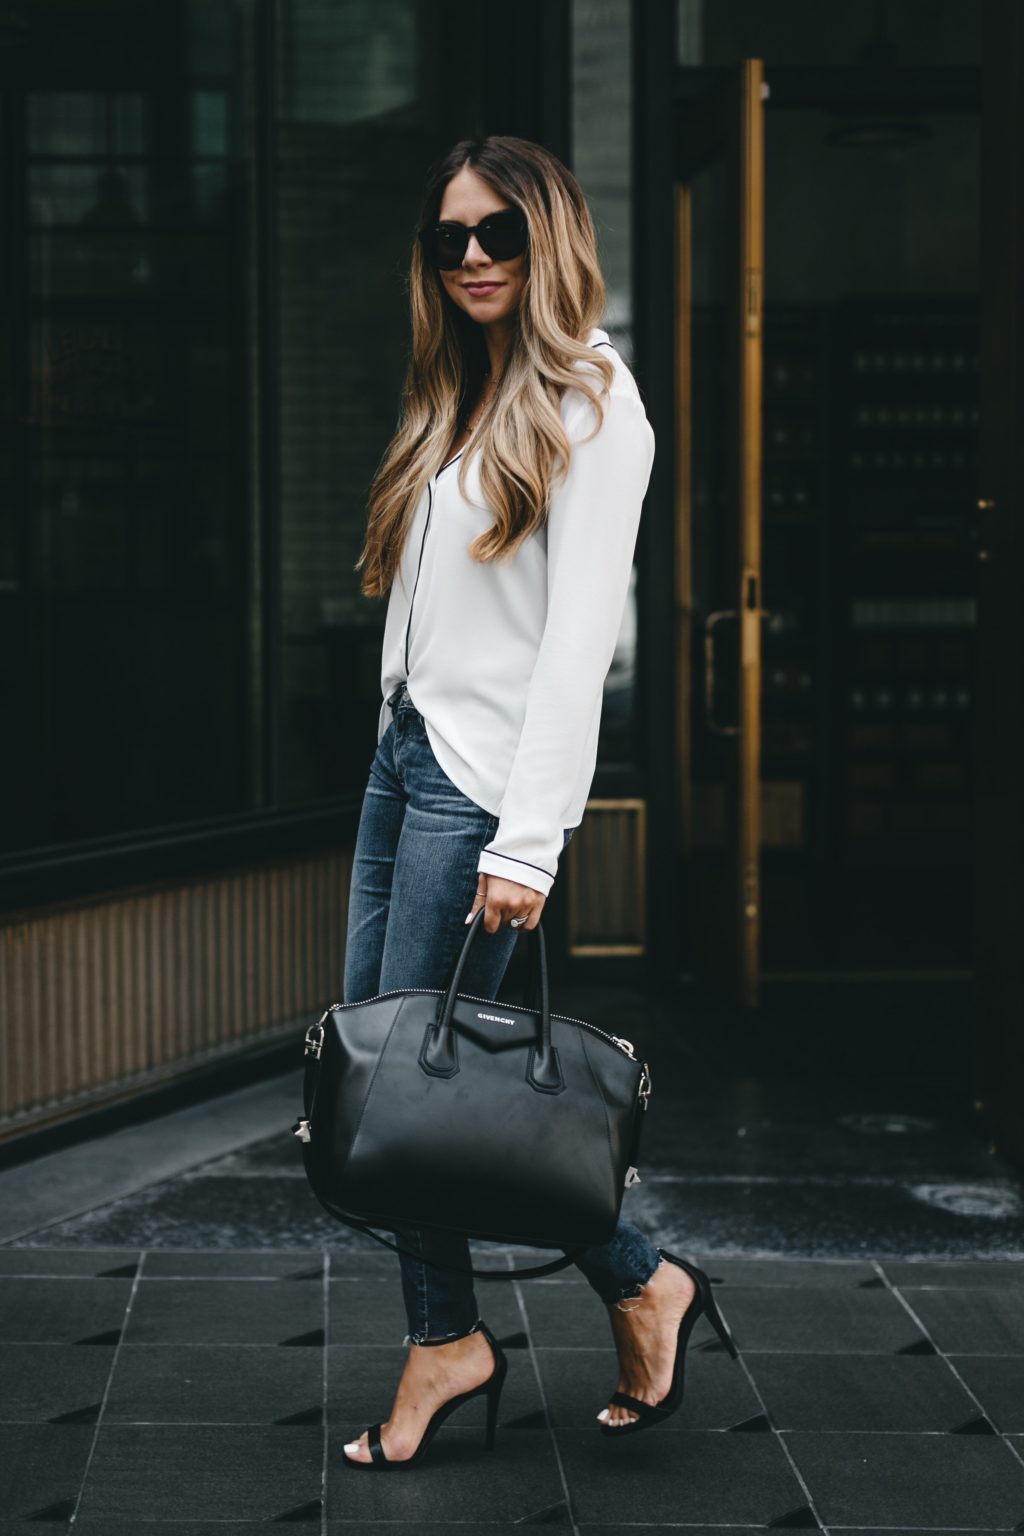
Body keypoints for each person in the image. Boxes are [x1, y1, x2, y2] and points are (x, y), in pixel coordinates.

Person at [340, 134, 735, 1470]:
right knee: (386, 1084)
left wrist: (532, 838)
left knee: (412, 1092)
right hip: (405, 764)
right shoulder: (455, 387)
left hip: (479, 792)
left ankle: (454, 1340)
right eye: (448, 237)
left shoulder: (592, 399)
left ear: (549, 236)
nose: (469, 259)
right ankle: (634, 1281)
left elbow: (581, 639)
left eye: (496, 233)